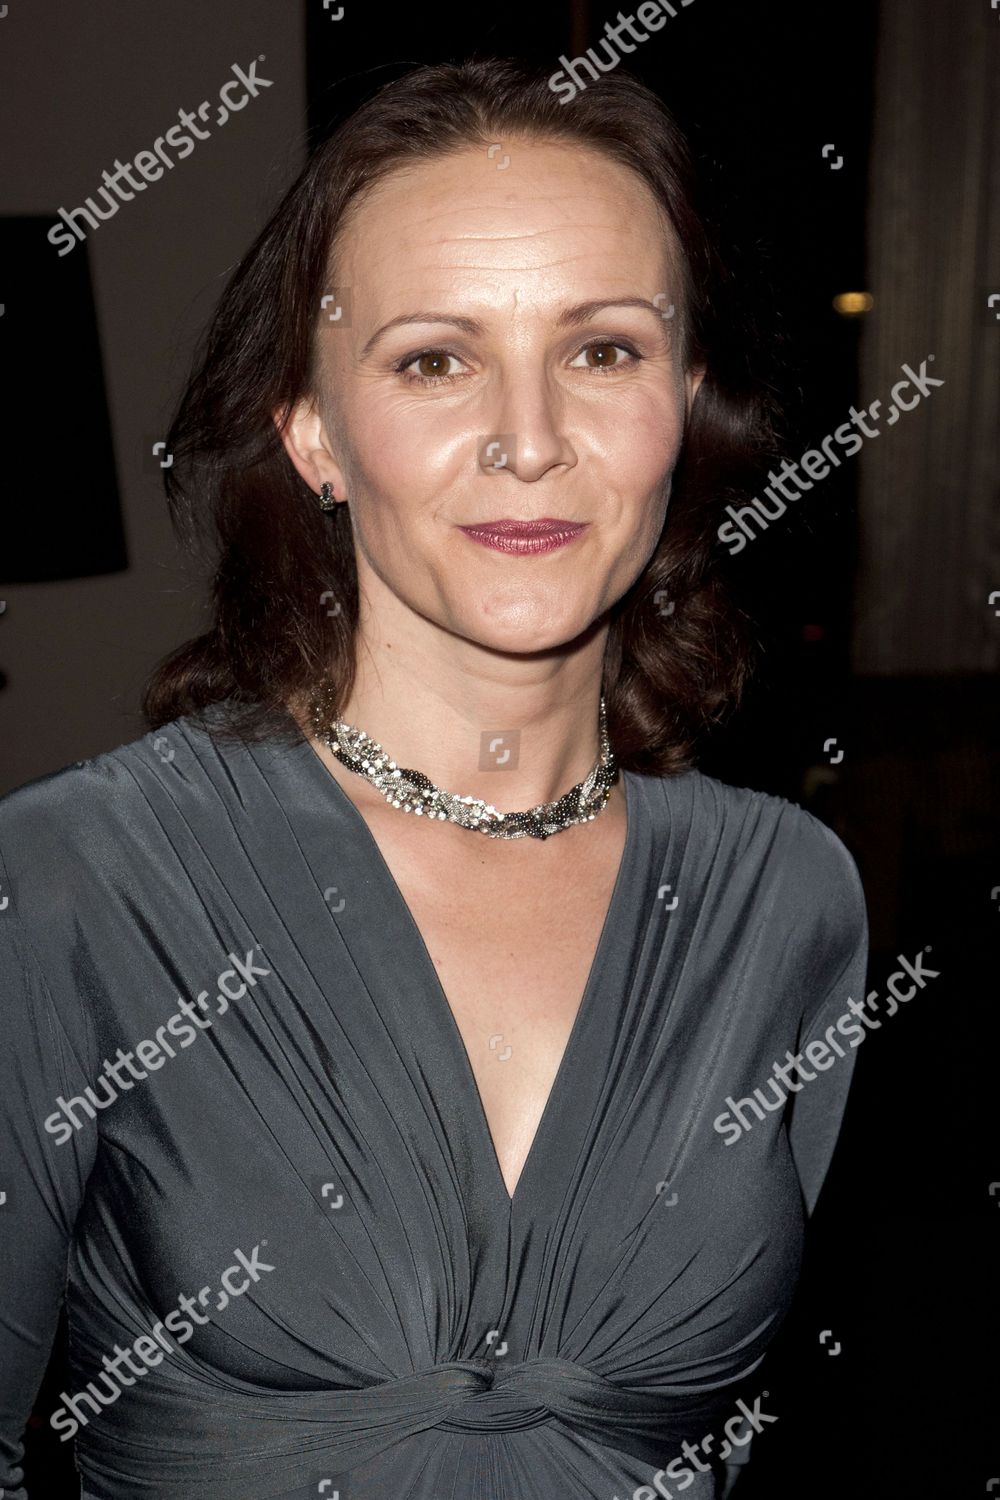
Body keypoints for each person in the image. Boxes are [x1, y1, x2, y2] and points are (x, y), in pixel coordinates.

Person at [0, 58, 868, 1500]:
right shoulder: (78, 880)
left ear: (685, 400)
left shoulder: (784, 895)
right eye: (432, 360)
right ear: (314, 433)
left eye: (603, 350)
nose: (529, 440)